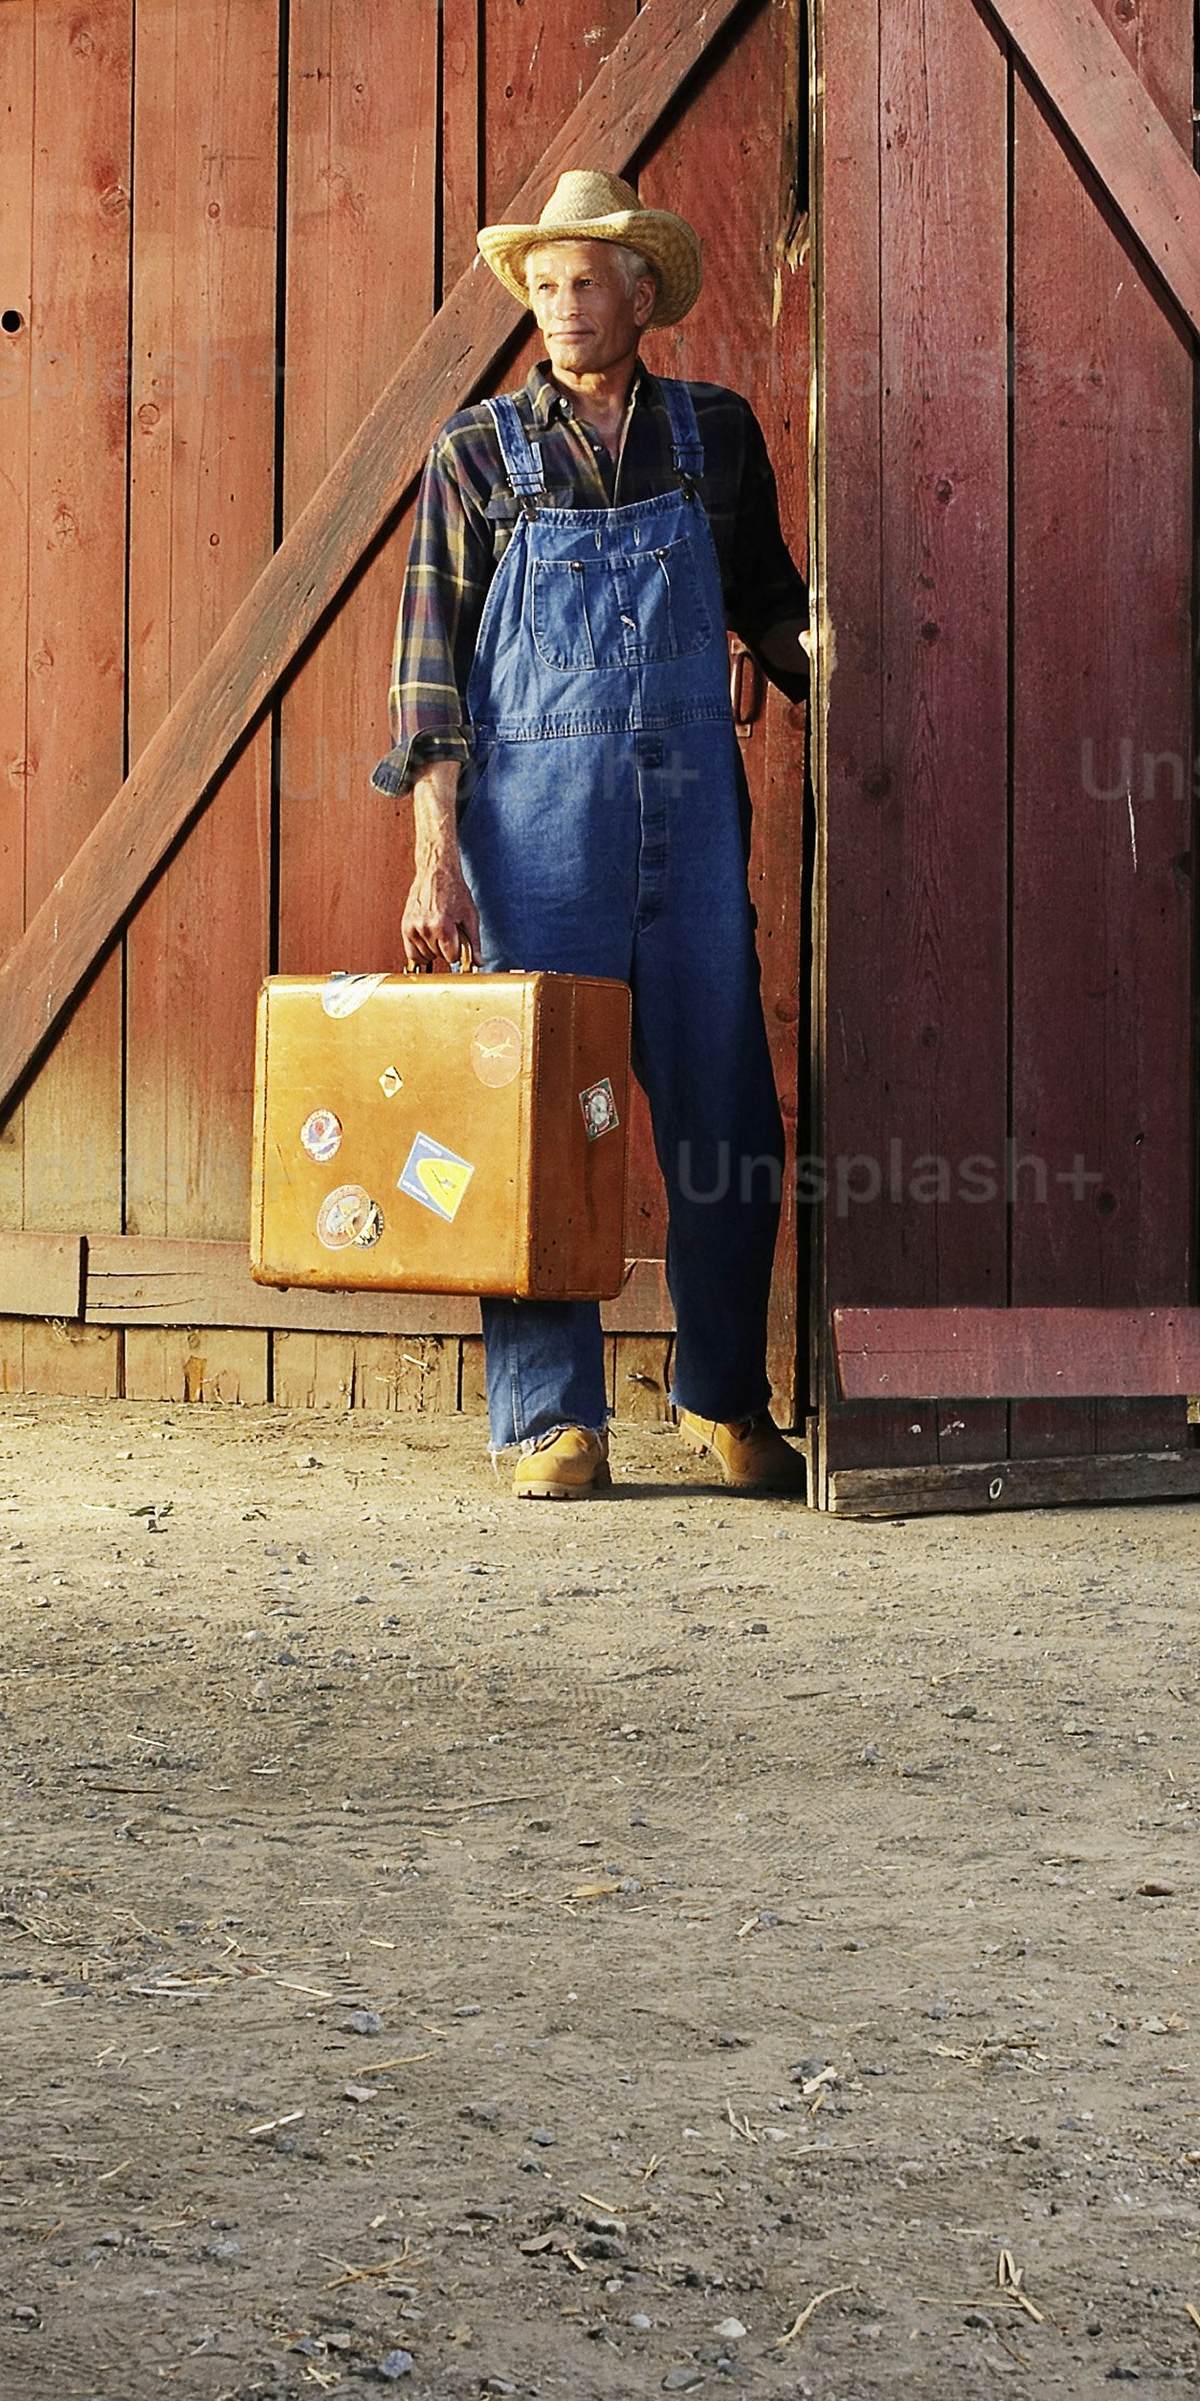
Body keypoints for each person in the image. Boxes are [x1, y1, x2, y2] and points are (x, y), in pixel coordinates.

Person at [376, 167, 809, 1502]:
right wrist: (432, 861)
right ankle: (548, 1416)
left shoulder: (714, 440)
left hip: (687, 840)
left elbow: (778, 612)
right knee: (539, 1126)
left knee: (726, 1112)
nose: (562, 307)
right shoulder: (473, 456)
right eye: (545, 285)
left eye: (587, 283)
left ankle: (723, 1395)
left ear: (640, 295)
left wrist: (856, 676)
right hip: (534, 841)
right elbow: (429, 682)